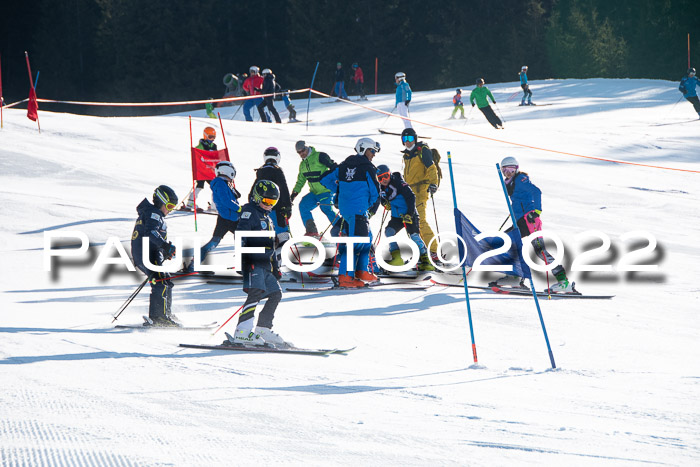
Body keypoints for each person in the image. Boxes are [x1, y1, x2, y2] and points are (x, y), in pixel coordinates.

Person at [494, 156, 574, 293]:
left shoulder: (520, 180)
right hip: (519, 220)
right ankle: (515, 276)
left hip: (529, 219)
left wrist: (536, 211)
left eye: (511, 169)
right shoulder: (509, 182)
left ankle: (563, 282)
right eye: (505, 170)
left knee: (540, 250)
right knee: (507, 241)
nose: (508, 172)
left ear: (516, 169)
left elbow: (536, 192)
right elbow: (520, 198)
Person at [226, 180, 290, 347]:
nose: (269, 206)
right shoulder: (250, 212)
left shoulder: (267, 218)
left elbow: (270, 247)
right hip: (252, 262)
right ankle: (242, 332)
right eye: (267, 201)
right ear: (256, 197)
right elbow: (241, 236)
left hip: (265, 265)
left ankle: (263, 329)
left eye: (273, 203)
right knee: (255, 294)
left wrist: (275, 268)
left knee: (275, 293)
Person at [322, 138, 381, 287]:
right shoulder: (367, 167)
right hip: (358, 209)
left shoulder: (343, 166)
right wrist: (371, 206)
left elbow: (325, 179)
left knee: (367, 238)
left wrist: (339, 190)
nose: (373, 155)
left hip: (346, 209)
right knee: (356, 243)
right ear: (363, 149)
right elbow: (375, 192)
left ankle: (362, 271)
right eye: (372, 151)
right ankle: (346, 277)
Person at [131, 186, 179, 327]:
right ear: (161, 201)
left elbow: (152, 237)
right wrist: (165, 246)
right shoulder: (154, 213)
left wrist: (165, 251)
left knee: (166, 281)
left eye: (173, 207)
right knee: (160, 282)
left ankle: (165, 313)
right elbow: (150, 233)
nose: (170, 210)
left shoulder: (151, 214)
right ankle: (159, 317)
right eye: (169, 206)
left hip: (149, 254)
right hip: (147, 255)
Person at [376, 164, 435, 271]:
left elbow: (411, 197)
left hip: (409, 214)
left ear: (390, 174)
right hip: (397, 217)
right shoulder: (381, 187)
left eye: (386, 176)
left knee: (414, 236)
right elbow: (383, 199)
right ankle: (397, 258)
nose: (384, 180)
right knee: (389, 232)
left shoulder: (398, 183)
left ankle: (426, 260)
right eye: (380, 178)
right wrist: (385, 204)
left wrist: (409, 213)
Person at [185, 161, 241, 273]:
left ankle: (193, 264)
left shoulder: (223, 183)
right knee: (241, 240)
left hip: (227, 217)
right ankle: (244, 266)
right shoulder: (220, 183)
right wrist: (238, 208)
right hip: (229, 218)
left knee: (215, 242)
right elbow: (226, 201)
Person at [400, 128, 439, 260]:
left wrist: (434, 183)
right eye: (405, 139)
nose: (408, 142)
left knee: (420, 221)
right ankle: (422, 251)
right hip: (409, 192)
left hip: (421, 189)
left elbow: (431, 167)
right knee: (412, 222)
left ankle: (434, 251)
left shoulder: (422, 151)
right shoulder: (407, 155)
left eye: (410, 139)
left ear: (415, 139)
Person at [290, 140, 338, 238]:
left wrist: (331, 177)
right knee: (303, 206)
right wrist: (293, 195)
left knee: (326, 208)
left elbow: (335, 168)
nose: (301, 154)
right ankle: (312, 231)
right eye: (299, 152)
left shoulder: (319, 156)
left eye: (303, 150)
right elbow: (300, 181)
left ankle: (342, 231)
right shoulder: (302, 165)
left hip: (326, 191)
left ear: (306, 147)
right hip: (314, 193)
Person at [249, 147, 292, 247]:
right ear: (277, 157)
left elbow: (254, 188)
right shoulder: (277, 170)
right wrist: (288, 207)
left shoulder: (261, 171)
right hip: (277, 208)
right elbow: (284, 189)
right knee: (283, 235)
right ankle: (280, 257)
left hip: (261, 208)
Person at [184, 127, 218, 211]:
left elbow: (215, 158)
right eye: (210, 137)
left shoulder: (214, 146)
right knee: (200, 186)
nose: (212, 139)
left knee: (215, 186)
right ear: (205, 136)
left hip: (210, 171)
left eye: (214, 137)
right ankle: (190, 203)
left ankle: (214, 205)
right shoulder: (201, 145)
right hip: (201, 170)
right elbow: (196, 154)